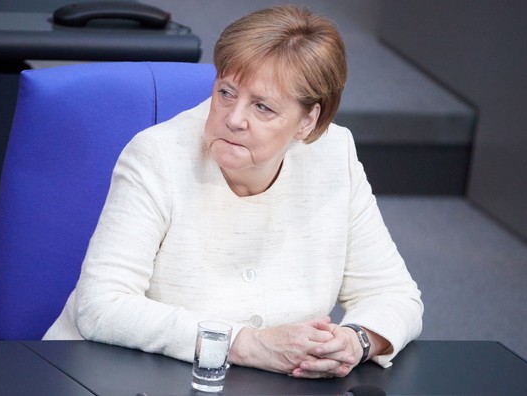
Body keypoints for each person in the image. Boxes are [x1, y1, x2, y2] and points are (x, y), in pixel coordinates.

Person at [43, 5, 423, 379]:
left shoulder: (333, 154)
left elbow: (393, 294)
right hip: (116, 378)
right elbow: (101, 307)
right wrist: (247, 343)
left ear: (308, 121)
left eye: (262, 107)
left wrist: (353, 341)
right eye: (226, 92)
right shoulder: (157, 155)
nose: (233, 118)